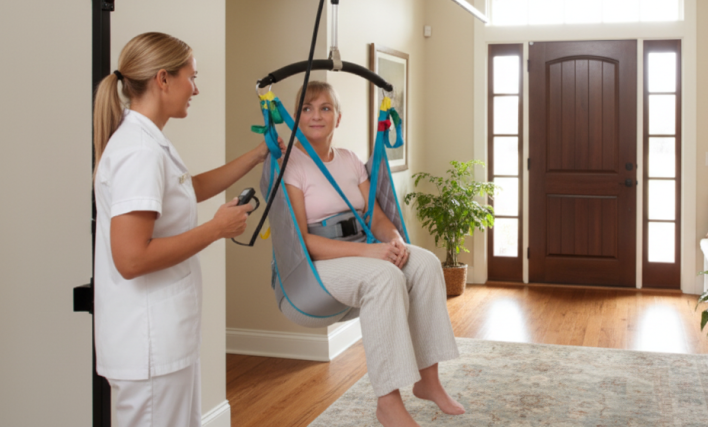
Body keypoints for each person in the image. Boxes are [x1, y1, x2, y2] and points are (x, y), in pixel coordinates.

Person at [92, 32, 280, 427]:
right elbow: (130, 258)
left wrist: (258, 154)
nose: (195, 88)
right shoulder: (138, 152)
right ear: (163, 79)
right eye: (191, 77)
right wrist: (215, 229)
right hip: (148, 343)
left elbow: (187, 189)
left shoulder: (150, 142)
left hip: (163, 339)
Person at [283, 81, 463, 427]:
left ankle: (428, 380)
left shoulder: (350, 160)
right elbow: (303, 241)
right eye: (306, 108)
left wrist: (394, 240)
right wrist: (372, 253)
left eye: (325, 108)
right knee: (384, 276)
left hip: (364, 247)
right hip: (319, 264)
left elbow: (377, 217)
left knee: (423, 262)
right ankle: (388, 402)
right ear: (295, 118)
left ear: (338, 118)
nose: (316, 115)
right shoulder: (292, 167)